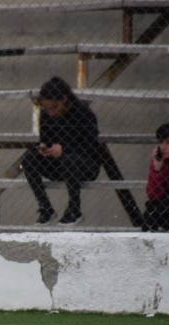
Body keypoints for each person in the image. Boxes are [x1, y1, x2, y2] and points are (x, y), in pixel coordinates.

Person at [22, 76, 102, 225]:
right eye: (47, 108)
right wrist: (44, 149)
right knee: (28, 159)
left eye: (54, 107)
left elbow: (91, 147)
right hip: (59, 164)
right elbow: (45, 139)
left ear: (64, 99)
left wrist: (64, 150)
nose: (50, 113)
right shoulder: (46, 115)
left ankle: (74, 210)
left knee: (69, 160)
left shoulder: (84, 113)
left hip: (86, 165)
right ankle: (46, 208)